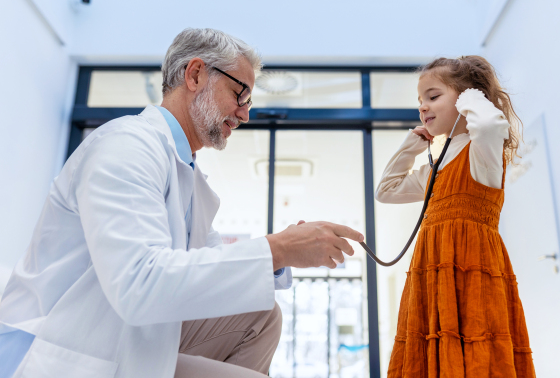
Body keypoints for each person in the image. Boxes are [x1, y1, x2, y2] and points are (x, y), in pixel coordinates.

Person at [0, 28, 363, 378]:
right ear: (195, 75)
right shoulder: (126, 146)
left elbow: (202, 266)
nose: (245, 114)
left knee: (262, 314)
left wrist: (283, 249)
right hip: (68, 349)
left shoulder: (187, 174)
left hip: (129, 339)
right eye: (240, 94)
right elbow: (139, 284)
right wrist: (277, 250)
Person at [376, 56, 536, 377]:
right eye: (420, 101)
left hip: (471, 269)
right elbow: (386, 190)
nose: (422, 107)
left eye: (433, 97)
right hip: (432, 271)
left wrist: (472, 96)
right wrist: (412, 146)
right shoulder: (434, 169)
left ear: (466, 100)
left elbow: (490, 124)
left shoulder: (483, 152)